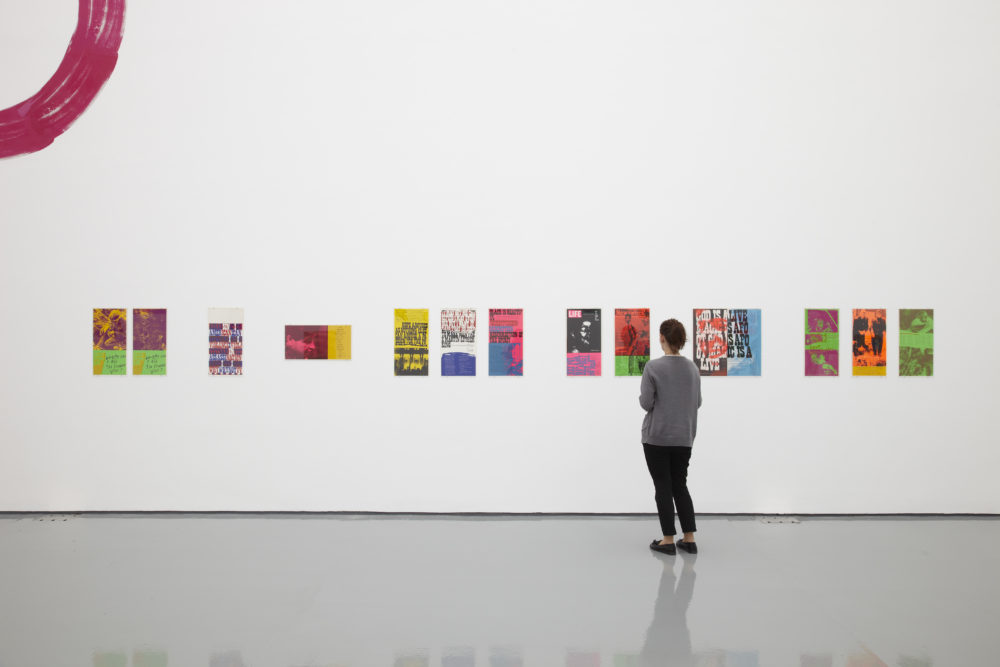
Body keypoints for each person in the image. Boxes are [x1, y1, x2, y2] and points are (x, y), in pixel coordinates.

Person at [639, 319, 702, 555]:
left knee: (663, 487)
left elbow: (646, 403)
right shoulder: (693, 368)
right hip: (684, 437)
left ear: (662, 338)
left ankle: (667, 539)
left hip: (657, 437)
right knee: (680, 485)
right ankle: (689, 538)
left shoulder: (653, 367)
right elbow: (698, 402)